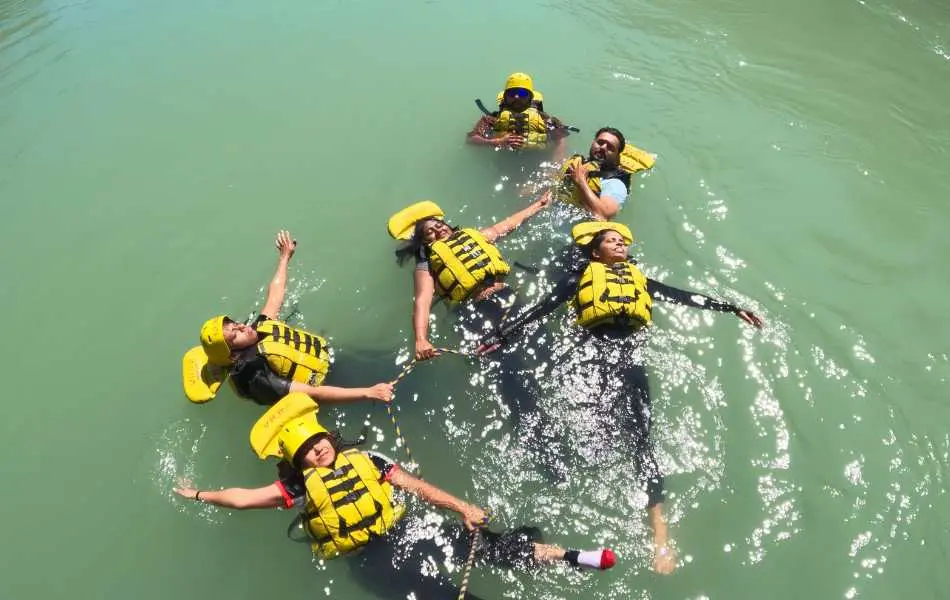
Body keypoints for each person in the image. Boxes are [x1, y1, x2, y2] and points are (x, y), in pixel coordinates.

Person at [477, 221, 765, 574]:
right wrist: (502, 335)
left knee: (642, 439)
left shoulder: (639, 279)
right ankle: (572, 494)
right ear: (595, 252)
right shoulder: (578, 279)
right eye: (610, 241)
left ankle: (660, 534)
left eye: (621, 241)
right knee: (599, 435)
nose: (619, 244)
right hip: (591, 357)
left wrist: (730, 307)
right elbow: (541, 308)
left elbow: (683, 296)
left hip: (630, 360)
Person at [174, 393, 616, 596]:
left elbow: (415, 487)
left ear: (330, 437)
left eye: (319, 440)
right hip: (372, 563)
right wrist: (199, 495)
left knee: (493, 545)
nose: (318, 449)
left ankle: (572, 556)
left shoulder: (368, 459)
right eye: (307, 450)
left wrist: (462, 507)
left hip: (407, 533)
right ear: (298, 461)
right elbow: (243, 498)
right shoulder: (297, 488)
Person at [181, 230, 393, 406]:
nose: (242, 327)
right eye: (235, 335)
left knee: (384, 360)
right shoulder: (257, 375)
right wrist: (368, 392)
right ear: (234, 355)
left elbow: (275, 296)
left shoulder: (257, 330)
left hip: (330, 360)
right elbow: (314, 394)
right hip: (328, 384)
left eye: (235, 324)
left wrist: (284, 258)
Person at [387, 199, 550, 362]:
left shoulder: (473, 237)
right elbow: (422, 301)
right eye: (430, 232)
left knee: (542, 341)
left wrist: (539, 205)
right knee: (508, 361)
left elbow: (506, 225)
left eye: (439, 225)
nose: (438, 229)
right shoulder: (426, 264)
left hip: (507, 298)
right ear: (424, 242)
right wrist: (421, 339)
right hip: (476, 314)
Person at [466, 72, 568, 156]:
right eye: (511, 93)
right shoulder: (492, 119)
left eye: (522, 93)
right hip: (504, 160)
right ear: (505, 97)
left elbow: (560, 137)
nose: (516, 97)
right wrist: (497, 142)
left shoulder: (543, 118)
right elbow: (471, 139)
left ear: (530, 98)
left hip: (536, 159)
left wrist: (558, 157)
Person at [553, 126, 640, 221]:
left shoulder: (615, 184)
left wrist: (581, 181)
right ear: (593, 143)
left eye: (610, 147)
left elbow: (604, 216)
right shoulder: (579, 164)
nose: (603, 147)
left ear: (617, 157)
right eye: (600, 142)